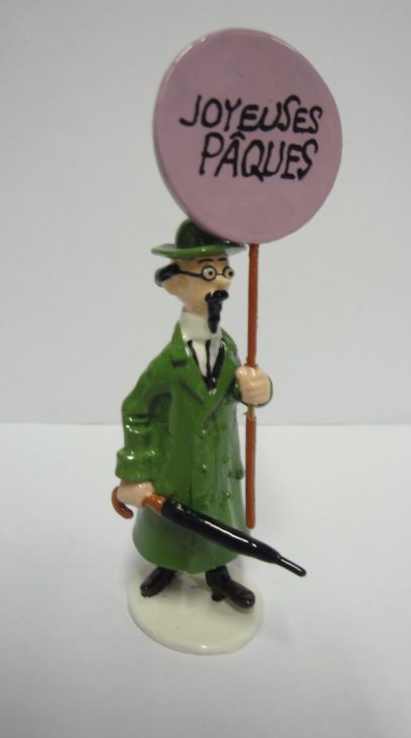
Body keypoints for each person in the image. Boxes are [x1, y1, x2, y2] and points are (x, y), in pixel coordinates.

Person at [115, 219, 271, 609]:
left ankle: (218, 573)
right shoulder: (167, 365)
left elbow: (234, 393)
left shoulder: (230, 350)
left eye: (226, 271)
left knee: (218, 525)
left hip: (218, 465)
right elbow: (135, 410)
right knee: (171, 531)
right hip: (176, 470)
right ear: (174, 283)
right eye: (208, 273)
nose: (222, 283)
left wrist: (259, 389)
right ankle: (167, 566)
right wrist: (135, 472)